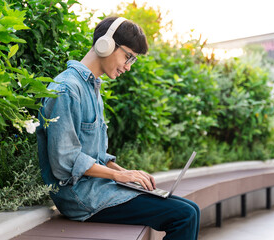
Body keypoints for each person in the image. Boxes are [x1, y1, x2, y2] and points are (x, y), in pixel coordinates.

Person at [36, 16, 200, 240]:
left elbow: (96, 156)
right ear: (105, 44)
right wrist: (117, 176)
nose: (128, 67)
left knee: (192, 210)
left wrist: (126, 173)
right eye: (128, 56)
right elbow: (65, 160)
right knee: (184, 216)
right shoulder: (66, 90)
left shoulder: (92, 88)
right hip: (81, 197)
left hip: (99, 188)